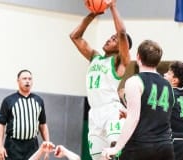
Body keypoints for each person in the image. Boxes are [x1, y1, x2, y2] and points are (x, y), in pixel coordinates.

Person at [69, 0, 132, 159]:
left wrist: (113, 7)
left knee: (114, 153)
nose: (110, 40)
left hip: (112, 111)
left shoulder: (120, 62)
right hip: (94, 112)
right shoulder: (95, 57)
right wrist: (93, 14)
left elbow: (122, 33)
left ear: (120, 47)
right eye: (110, 37)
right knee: (97, 157)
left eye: (114, 39)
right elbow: (74, 36)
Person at [102, 40, 175, 160]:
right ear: (158, 60)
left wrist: (116, 148)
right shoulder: (168, 85)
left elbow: (133, 118)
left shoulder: (134, 81)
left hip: (141, 146)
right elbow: (158, 114)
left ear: (138, 57)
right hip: (165, 147)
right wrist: (129, 113)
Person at [0, 69, 50, 160]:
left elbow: (43, 125)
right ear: (18, 81)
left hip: (32, 146)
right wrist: (0, 146)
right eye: (24, 78)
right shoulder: (8, 100)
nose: (27, 81)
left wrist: (47, 144)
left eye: (30, 79)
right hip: (13, 145)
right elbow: (1, 125)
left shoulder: (38, 101)